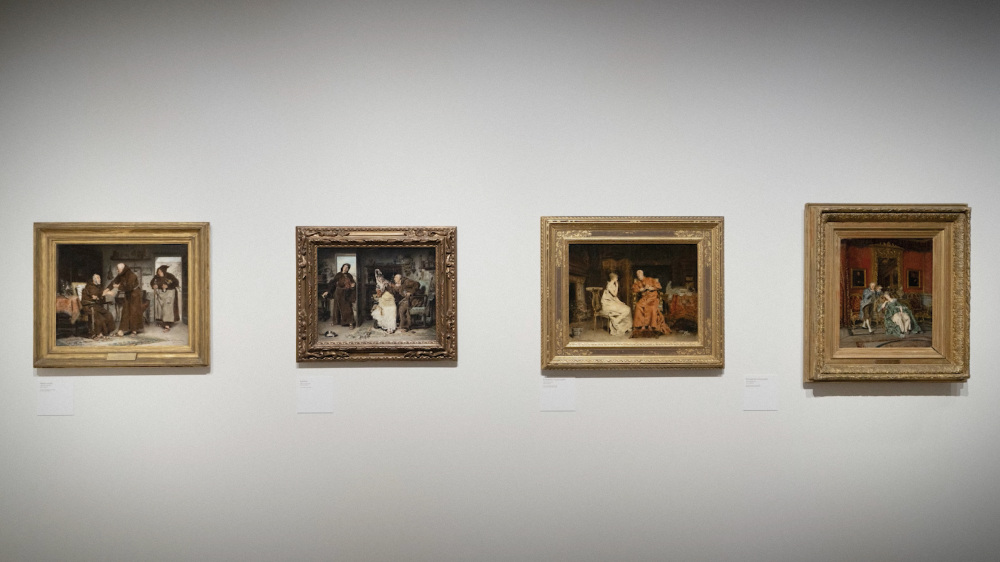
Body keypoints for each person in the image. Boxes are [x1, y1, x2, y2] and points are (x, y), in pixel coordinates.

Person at [104, 263, 143, 336]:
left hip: (135, 294)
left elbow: (129, 287)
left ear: (122, 269)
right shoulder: (121, 274)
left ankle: (134, 331)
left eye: (118, 269)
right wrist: (106, 290)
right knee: (125, 311)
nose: (117, 270)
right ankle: (122, 330)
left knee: (133, 312)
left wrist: (118, 287)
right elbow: (114, 282)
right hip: (128, 294)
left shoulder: (132, 275)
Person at [631, 269, 670, 335]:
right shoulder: (637, 282)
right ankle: (640, 325)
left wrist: (650, 288)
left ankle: (651, 325)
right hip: (644, 299)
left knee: (651, 307)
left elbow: (659, 286)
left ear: (642, 274)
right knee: (638, 306)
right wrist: (642, 289)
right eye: (637, 275)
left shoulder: (650, 279)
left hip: (652, 298)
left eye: (640, 274)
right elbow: (634, 290)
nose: (639, 276)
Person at [321, 264, 356, 328]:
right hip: (338, 293)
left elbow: (352, 283)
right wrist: (327, 291)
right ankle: (336, 321)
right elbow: (333, 284)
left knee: (348, 308)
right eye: (345, 267)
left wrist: (353, 285)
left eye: (347, 267)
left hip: (346, 293)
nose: (346, 268)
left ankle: (350, 322)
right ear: (342, 267)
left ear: (348, 269)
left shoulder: (349, 275)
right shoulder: (338, 275)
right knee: (337, 308)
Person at [81, 274, 114, 338]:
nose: (100, 279)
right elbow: (95, 296)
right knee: (100, 318)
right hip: (89, 306)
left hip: (96, 306)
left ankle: (106, 332)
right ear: (94, 279)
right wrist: (105, 293)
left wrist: (103, 294)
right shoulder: (90, 286)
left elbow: (99, 295)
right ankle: (98, 333)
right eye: (98, 278)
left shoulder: (98, 287)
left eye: (100, 278)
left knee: (108, 314)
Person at [150, 265, 180, 332]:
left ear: (164, 271)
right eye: (158, 272)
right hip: (160, 294)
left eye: (160, 271)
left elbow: (176, 283)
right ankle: (161, 322)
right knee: (160, 308)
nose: (159, 273)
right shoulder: (156, 277)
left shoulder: (170, 276)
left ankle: (167, 325)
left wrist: (167, 286)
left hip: (169, 294)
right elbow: (151, 283)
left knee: (167, 309)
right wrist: (153, 286)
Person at [600, 272, 632, 336]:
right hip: (608, 305)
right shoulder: (609, 285)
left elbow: (615, 298)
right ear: (613, 278)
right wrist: (617, 286)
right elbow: (614, 295)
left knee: (627, 308)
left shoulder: (613, 285)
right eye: (616, 278)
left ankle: (626, 326)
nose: (617, 279)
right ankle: (616, 321)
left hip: (612, 303)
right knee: (626, 309)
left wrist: (620, 302)